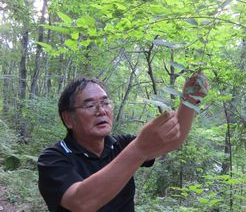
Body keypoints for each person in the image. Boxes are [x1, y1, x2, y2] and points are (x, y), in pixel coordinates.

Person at [38, 73, 208, 212]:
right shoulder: (53, 158)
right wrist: (139, 149)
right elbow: (81, 202)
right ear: (68, 119)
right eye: (90, 106)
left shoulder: (120, 144)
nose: (102, 111)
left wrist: (190, 101)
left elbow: (173, 141)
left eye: (105, 103)